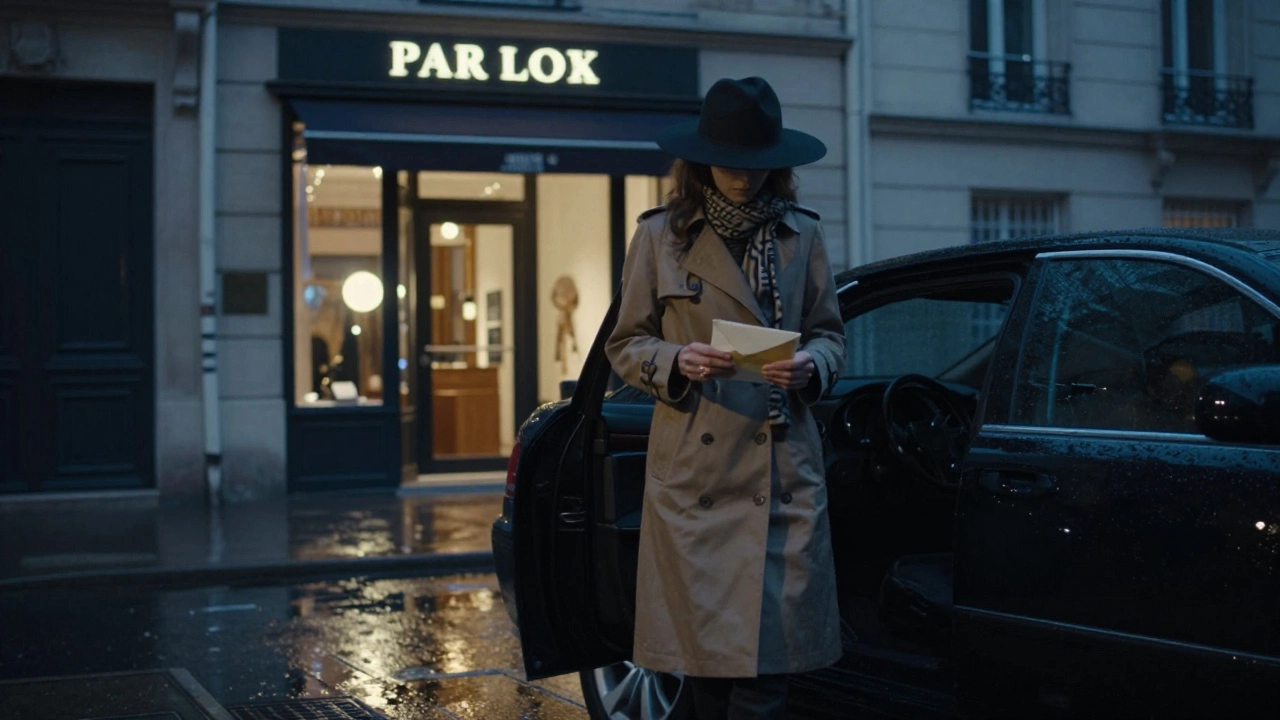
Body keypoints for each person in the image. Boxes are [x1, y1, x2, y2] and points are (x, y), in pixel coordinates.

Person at [605, 76, 846, 719]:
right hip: (696, 471)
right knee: (705, 673)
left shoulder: (803, 236)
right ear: (701, 160)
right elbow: (626, 342)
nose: (744, 178)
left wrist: (810, 368)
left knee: (768, 677)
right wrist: (677, 358)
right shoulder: (660, 237)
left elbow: (830, 335)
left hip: (782, 471)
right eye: (733, 163)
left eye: (759, 165)